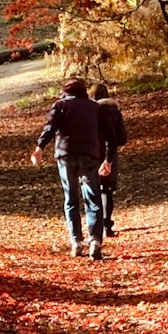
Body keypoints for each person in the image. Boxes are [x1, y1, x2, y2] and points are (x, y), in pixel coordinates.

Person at [30, 77, 107, 260]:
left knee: (71, 199)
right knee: (93, 198)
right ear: (83, 92)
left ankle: (76, 242)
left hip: (66, 155)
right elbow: (106, 133)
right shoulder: (95, 107)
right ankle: (95, 240)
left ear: (66, 91)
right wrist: (108, 159)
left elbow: (50, 127)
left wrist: (39, 148)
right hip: (89, 155)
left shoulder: (60, 105)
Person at [92, 82, 127, 237]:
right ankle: (107, 224)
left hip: (92, 152)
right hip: (109, 154)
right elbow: (121, 138)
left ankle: (95, 226)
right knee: (107, 190)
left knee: (92, 189)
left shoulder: (89, 111)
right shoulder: (114, 110)